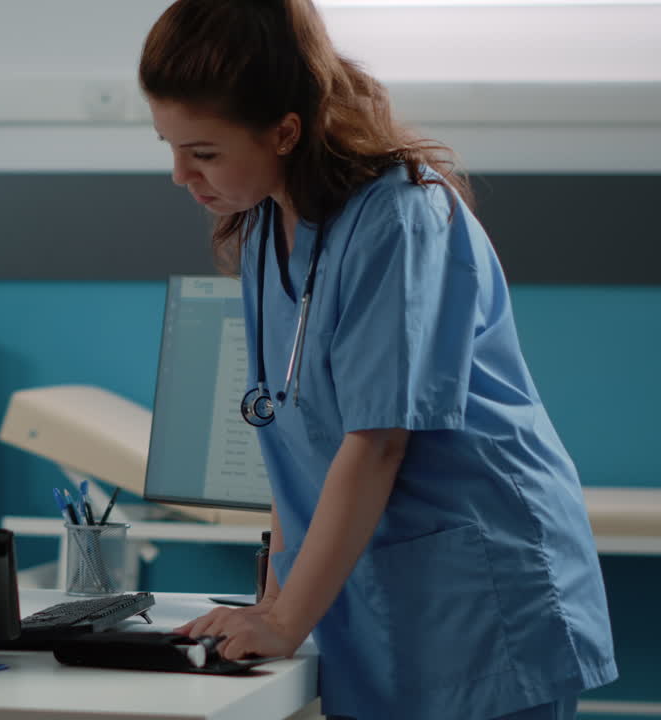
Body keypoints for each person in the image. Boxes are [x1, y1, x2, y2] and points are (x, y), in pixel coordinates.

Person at [138, 1, 617, 718]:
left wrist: (284, 619)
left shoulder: (401, 218)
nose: (180, 175)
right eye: (169, 145)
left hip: (478, 595)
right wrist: (274, 597)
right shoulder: (267, 224)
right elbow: (291, 437)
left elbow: (377, 441)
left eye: (203, 152)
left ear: (285, 131)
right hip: (381, 594)